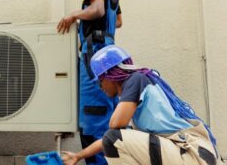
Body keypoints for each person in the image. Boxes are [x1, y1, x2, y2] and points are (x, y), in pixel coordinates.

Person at [62, 45, 223, 165]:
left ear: (110, 75)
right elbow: (110, 137)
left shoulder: (135, 80)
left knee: (115, 139)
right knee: (118, 139)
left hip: (191, 153)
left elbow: (114, 126)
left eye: (100, 81)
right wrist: (78, 156)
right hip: (188, 152)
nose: (100, 87)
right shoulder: (140, 86)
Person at [57, 0, 122, 164]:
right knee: (108, 113)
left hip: (94, 53)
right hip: (109, 51)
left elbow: (97, 10)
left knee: (92, 116)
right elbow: (118, 21)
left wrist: (73, 15)